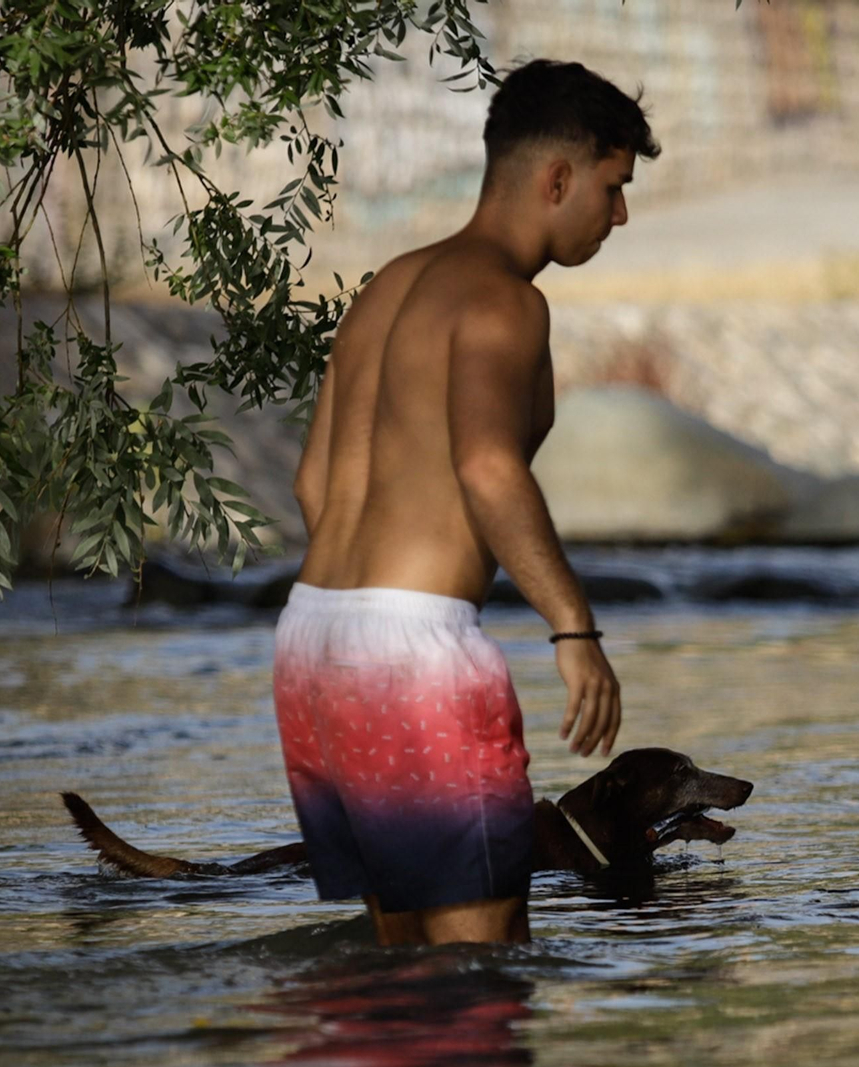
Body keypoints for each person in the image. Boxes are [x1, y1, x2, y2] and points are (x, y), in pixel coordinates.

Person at [273, 59, 660, 947]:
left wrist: (360, 614)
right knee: (480, 979)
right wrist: (575, 628)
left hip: (313, 643)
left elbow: (312, 485)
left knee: (397, 981)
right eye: (614, 187)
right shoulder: (505, 300)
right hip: (415, 655)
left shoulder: (384, 290)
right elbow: (487, 465)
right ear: (556, 179)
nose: (621, 215)